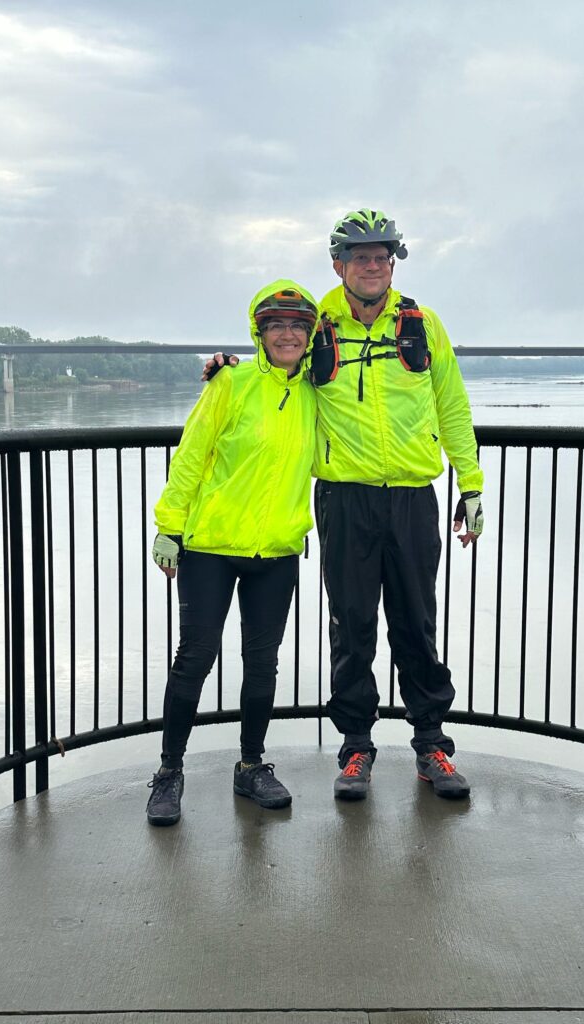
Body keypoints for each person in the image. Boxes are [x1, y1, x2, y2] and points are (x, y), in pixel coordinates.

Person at [206, 209, 484, 803]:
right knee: (352, 626)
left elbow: (453, 406)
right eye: (360, 257)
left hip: (413, 496)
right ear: (339, 265)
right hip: (345, 497)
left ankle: (431, 743)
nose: (373, 265)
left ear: (392, 263)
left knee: (416, 621)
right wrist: (227, 368)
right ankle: (356, 745)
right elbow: (273, 365)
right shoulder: (321, 326)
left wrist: (472, 484)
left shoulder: (422, 325)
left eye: (382, 256)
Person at [146, 280, 318, 826]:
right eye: (276, 325)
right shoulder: (231, 383)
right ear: (259, 333)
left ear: (310, 335)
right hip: (211, 547)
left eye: (297, 325)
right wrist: (169, 527)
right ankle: (169, 772)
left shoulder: (319, 392)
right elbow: (192, 456)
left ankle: (251, 766)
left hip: (277, 551)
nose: (287, 334)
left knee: (261, 662)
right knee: (195, 657)